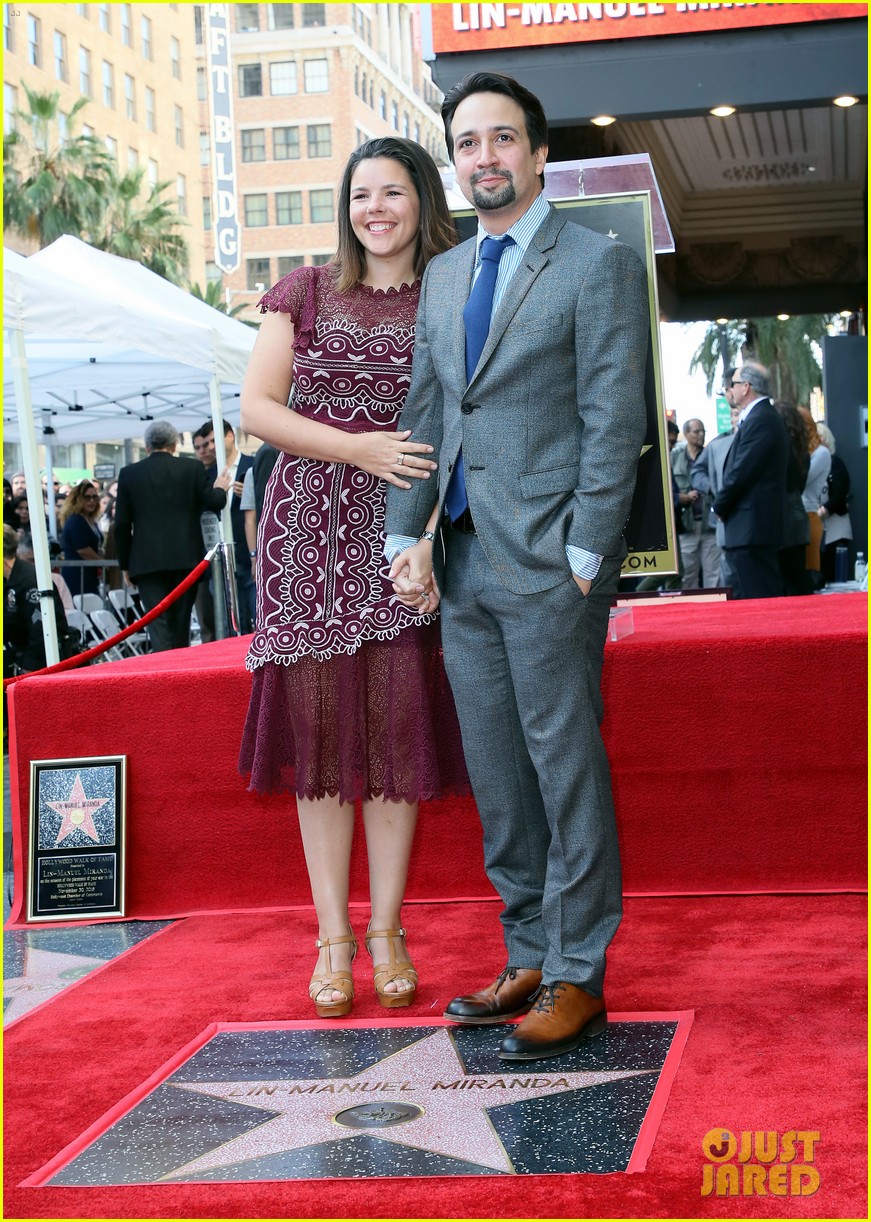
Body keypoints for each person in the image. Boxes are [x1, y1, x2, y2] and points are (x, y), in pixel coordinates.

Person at [385, 72, 649, 1061]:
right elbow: (427, 412)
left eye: (502, 139)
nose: (483, 156)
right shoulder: (447, 275)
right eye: (466, 142)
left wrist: (586, 549)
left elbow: (611, 415)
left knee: (561, 760)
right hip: (458, 561)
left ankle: (580, 972)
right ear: (453, 162)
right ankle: (528, 951)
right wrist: (399, 536)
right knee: (498, 768)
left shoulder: (596, 265)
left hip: (552, 562)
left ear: (539, 155)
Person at [238, 137, 466, 1020]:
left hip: (404, 529)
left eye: (393, 192)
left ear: (421, 201)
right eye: (361, 193)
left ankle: (387, 931)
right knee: (323, 733)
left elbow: (462, 412)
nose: (375, 207)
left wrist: (435, 532)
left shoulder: (450, 287)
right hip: (304, 530)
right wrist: (354, 448)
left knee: (394, 727)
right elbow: (257, 408)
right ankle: (332, 937)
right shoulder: (302, 288)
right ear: (346, 205)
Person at [114, 421, 230, 651]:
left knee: (158, 624)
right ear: (174, 444)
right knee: (181, 623)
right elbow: (215, 501)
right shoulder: (192, 468)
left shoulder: (129, 474)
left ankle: (163, 675)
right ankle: (178, 674)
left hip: (146, 562)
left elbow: (121, 524)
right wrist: (220, 488)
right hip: (186, 560)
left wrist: (125, 564)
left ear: (147, 447)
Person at [713, 362, 788, 600]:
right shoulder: (760, 416)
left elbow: (742, 471)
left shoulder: (762, 418)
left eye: (732, 384)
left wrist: (719, 505)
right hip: (749, 528)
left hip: (753, 528)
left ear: (746, 387)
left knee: (759, 600)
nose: (729, 390)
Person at [691, 370, 740, 588]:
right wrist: (713, 487)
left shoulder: (761, 438)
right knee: (726, 576)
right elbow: (696, 473)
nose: (737, 417)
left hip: (754, 522)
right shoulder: (717, 445)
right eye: (734, 414)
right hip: (724, 522)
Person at [3, 524, 72, 675]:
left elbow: (40, 628)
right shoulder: (9, 579)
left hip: (42, 662)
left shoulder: (30, 580)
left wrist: (29, 668)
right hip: (18, 654)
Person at [673, 418, 721, 587]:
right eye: (696, 431)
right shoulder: (674, 457)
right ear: (686, 434)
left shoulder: (712, 455)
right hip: (686, 526)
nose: (701, 435)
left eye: (703, 431)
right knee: (687, 575)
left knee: (713, 575)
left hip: (710, 523)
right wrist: (683, 497)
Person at [772, 400, 810, 596]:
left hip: (779, 515)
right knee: (797, 577)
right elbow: (800, 486)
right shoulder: (803, 451)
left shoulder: (776, 450)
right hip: (798, 513)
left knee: (781, 581)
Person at [798, 406, 831, 592]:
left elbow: (802, 478)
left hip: (808, 514)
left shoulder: (821, 453)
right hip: (796, 515)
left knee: (809, 574)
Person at [816, 422, 853, 583]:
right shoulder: (811, 464)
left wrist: (820, 513)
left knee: (834, 573)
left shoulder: (836, 464)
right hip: (816, 530)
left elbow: (839, 495)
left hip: (834, 528)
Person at [59, 480, 104, 600]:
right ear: (78, 499)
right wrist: (103, 562)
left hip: (89, 573)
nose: (92, 501)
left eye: (95, 497)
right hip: (77, 574)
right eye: (87, 497)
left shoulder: (90, 520)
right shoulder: (76, 521)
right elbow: (82, 549)